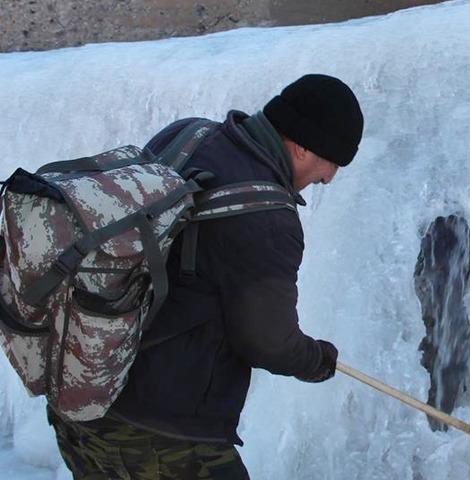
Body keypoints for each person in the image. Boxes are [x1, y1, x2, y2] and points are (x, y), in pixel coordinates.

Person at [47, 74, 364, 479]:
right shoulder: (268, 218)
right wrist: (315, 359)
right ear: (302, 145)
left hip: (85, 398)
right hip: (161, 435)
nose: (329, 178)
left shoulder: (187, 135)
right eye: (332, 163)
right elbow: (266, 340)